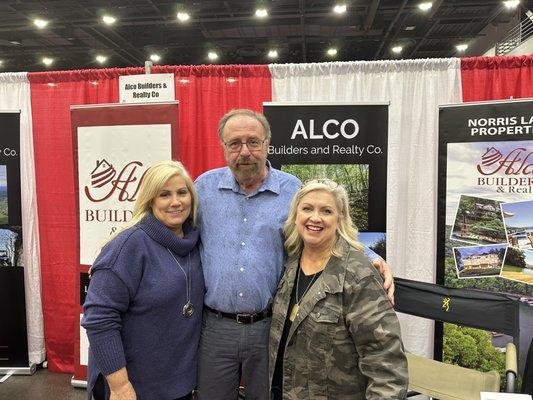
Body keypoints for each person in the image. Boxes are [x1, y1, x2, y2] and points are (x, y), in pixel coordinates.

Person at [195, 109, 395, 400]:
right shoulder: (204, 188)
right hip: (215, 328)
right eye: (234, 143)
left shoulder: (291, 190)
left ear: (268, 144)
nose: (245, 151)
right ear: (223, 147)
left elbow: (323, 229)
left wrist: (373, 257)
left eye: (254, 142)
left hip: (269, 327)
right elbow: (174, 229)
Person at [269, 179, 408, 399]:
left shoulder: (358, 275)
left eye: (326, 211)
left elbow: (386, 364)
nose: (315, 218)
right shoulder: (288, 263)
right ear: (296, 216)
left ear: (340, 219)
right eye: (307, 209)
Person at [81, 160, 203, 400]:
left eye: (182, 192)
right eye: (164, 195)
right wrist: (120, 386)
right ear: (150, 201)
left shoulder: (195, 242)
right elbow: (99, 319)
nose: (176, 202)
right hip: (131, 385)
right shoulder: (127, 247)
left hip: (176, 382)